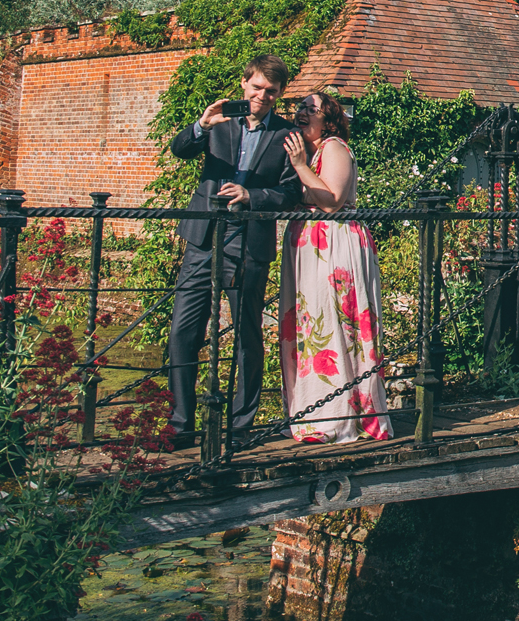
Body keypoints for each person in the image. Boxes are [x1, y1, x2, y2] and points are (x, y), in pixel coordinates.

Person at [165, 55, 302, 445]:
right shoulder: (218, 122)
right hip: (203, 236)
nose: (262, 97)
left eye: (271, 92)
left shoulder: (286, 135)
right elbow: (179, 150)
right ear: (244, 83)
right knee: (183, 329)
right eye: (256, 87)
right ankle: (181, 424)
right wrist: (199, 126)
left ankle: (240, 427)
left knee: (247, 335)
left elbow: (291, 194)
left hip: (249, 242)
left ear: (279, 94)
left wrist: (251, 194)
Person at [277, 91, 391, 442]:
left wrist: (299, 166)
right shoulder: (309, 154)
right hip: (308, 247)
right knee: (308, 327)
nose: (301, 113)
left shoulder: (334, 147)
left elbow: (332, 201)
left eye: (311, 110)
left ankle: (339, 419)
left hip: (334, 244)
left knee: (333, 322)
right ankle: (310, 415)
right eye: (300, 107)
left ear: (328, 121)